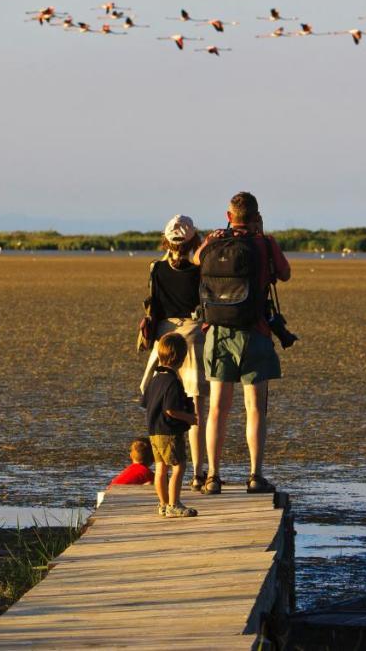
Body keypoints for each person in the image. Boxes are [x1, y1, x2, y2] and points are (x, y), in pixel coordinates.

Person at [193, 191, 291, 495]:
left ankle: (213, 476)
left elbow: (196, 260)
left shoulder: (214, 241)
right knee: (255, 409)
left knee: (217, 409)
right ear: (256, 216)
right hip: (255, 332)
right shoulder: (265, 243)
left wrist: (214, 238)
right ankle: (254, 475)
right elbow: (285, 274)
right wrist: (262, 237)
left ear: (228, 216)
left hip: (218, 332)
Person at [138, 214, 209, 490]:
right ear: (193, 239)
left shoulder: (155, 268)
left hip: (164, 338)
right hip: (193, 336)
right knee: (195, 409)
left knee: (162, 403)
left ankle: (164, 470)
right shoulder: (199, 270)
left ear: (166, 239)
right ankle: (198, 472)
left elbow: (153, 305)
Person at [140, 333, 199, 517]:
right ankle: (174, 504)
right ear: (181, 359)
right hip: (169, 432)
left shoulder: (155, 379)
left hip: (154, 431)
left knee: (160, 468)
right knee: (179, 466)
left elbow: (145, 403)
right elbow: (170, 410)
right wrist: (189, 418)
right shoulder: (172, 381)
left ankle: (163, 504)